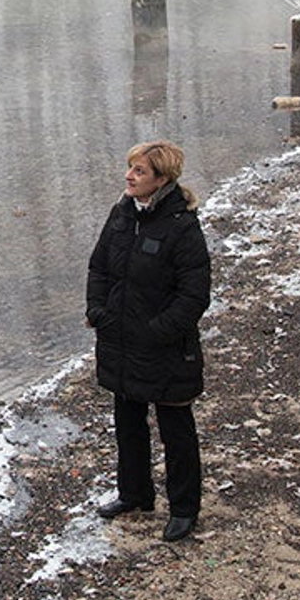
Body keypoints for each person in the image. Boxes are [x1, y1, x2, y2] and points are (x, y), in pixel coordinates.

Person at [84, 140, 211, 542]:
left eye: (139, 171)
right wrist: (97, 311)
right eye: (129, 168)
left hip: (167, 350)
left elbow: (194, 295)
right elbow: (99, 266)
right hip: (120, 341)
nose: (129, 176)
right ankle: (135, 494)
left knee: (176, 429)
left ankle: (184, 509)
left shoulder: (182, 225)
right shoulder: (121, 213)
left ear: (162, 178)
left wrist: (157, 332)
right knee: (127, 422)